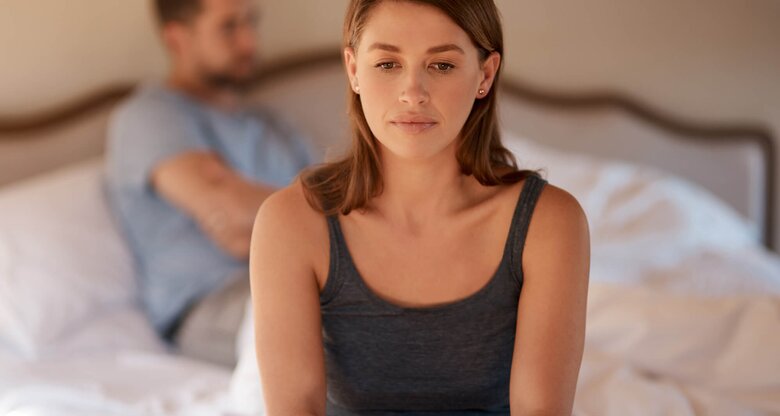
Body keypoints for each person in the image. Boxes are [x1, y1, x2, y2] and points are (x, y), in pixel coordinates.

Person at [250, 0, 590, 414]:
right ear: (354, 70)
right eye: (388, 64)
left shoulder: (548, 223)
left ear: (485, 75)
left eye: (442, 65)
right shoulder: (291, 223)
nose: (413, 93)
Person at [104, 0, 313, 363]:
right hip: (212, 302)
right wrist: (298, 221)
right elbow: (232, 212)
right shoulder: (149, 116)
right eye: (228, 27)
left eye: (252, 22)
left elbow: (345, 208)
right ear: (177, 38)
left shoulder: (270, 123)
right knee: (347, 329)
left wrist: (262, 224)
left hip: (305, 279)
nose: (250, 42)